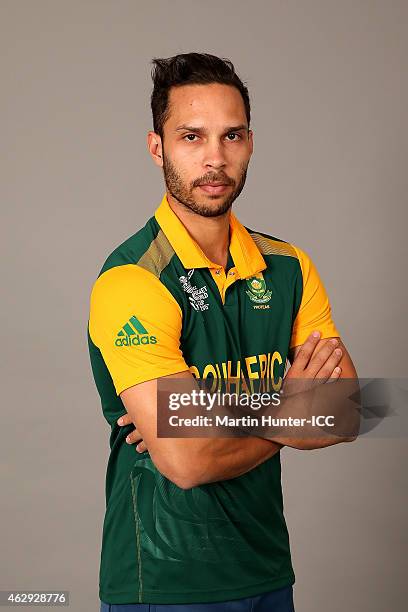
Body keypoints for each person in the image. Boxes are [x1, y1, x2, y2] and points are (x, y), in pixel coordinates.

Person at [87, 52, 358, 612]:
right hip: (165, 579)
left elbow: (347, 411)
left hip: (266, 568)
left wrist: (209, 416)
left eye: (231, 136)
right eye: (191, 136)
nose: (215, 157)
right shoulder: (133, 282)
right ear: (156, 147)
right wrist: (289, 409)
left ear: (251, 143)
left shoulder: (290, 267)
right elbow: (187, 463)